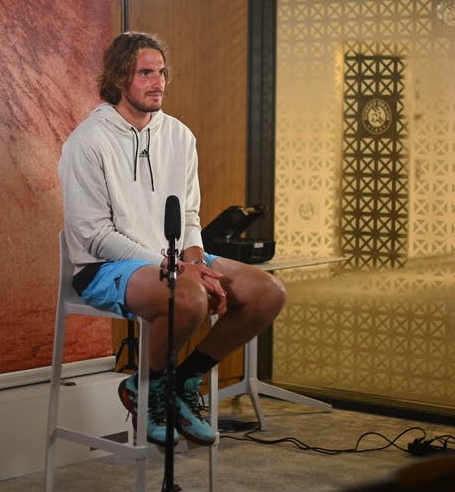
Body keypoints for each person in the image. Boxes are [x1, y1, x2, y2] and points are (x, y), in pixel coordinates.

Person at [58, 31, 286, 445]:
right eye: (145, 73)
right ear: (119, 77)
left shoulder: (179, 136)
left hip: (175, 261)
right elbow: (94, 235)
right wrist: (174, 267)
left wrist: (195, 261)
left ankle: (184, 380)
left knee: (267, 292)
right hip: (104, 267)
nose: (158, 82)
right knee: (188, 296)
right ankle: (145, 388)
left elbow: (190, 215)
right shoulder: (87, 142)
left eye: (161, 72)